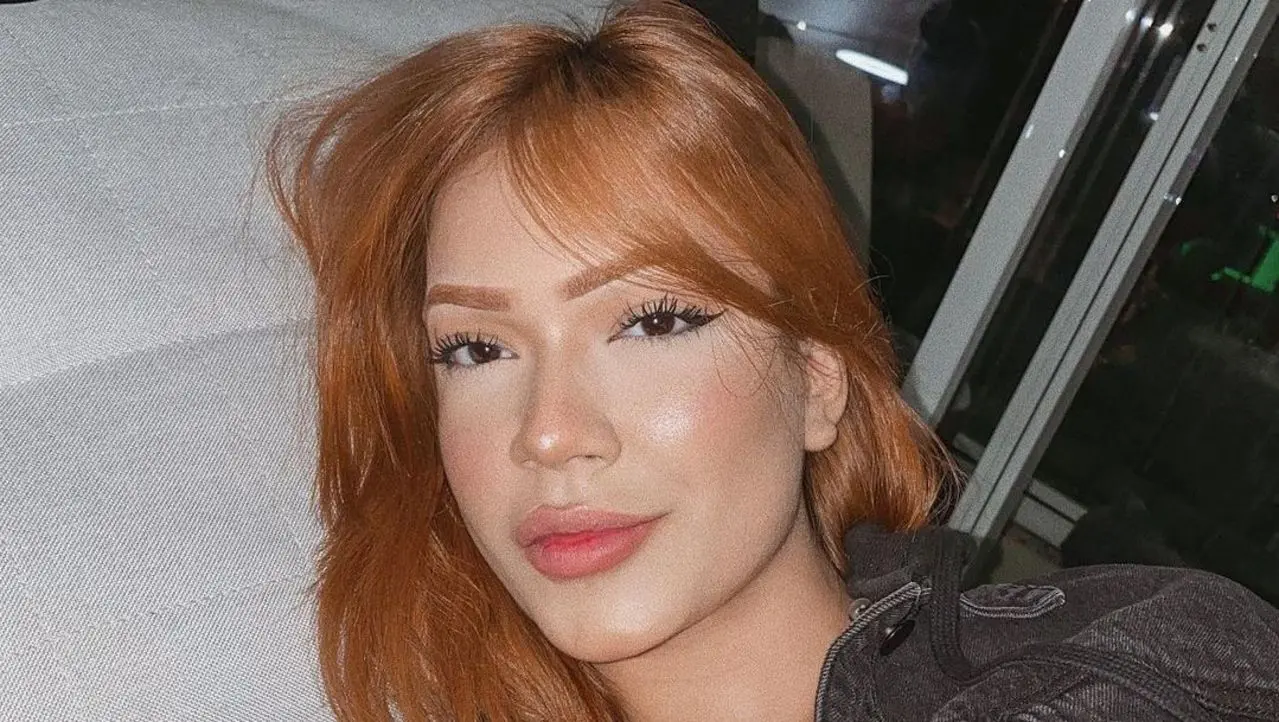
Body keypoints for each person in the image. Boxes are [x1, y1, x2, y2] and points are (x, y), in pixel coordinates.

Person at [265, 1, 1279, 720]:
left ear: (819, 379)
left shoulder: (1127, 670)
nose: (552, 433)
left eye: (654, 321)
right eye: (477, 348)